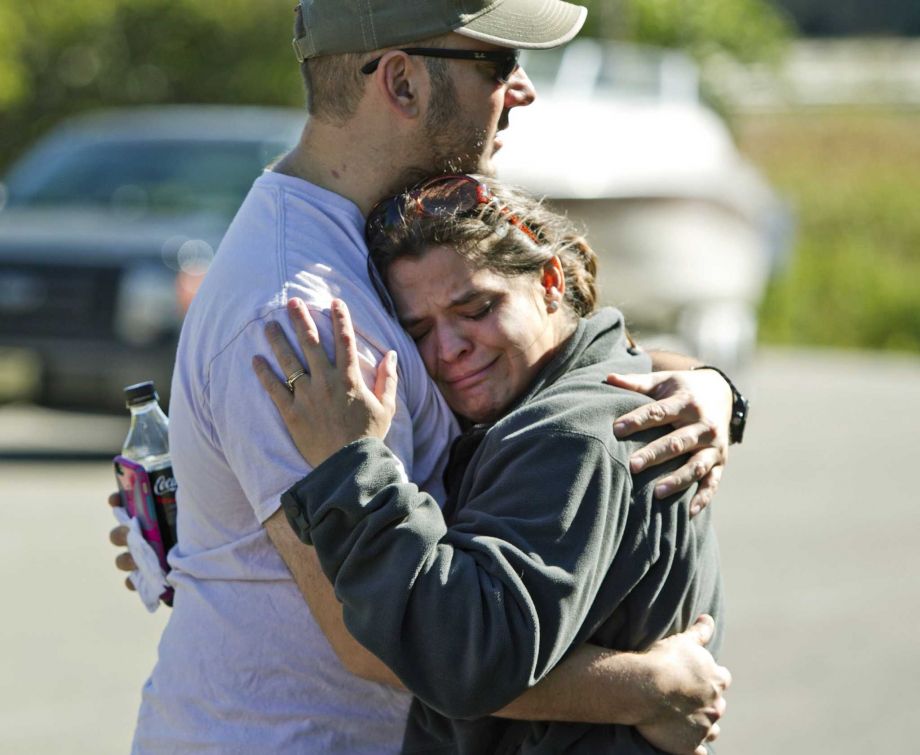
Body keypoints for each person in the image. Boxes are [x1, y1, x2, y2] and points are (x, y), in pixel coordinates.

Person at [108, 2, 741, 752]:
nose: (523, 89)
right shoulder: (297, 309)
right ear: (403, 83)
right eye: (498, 64)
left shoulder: (363, 251)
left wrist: (708, 385)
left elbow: (538, 362)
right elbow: (372, 643)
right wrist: (649, 687)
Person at [252, 174, 726, 753]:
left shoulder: (572, 436)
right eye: (418, 329)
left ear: (549, 282)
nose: (448, 348)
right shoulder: (552, 402)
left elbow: (462, 656)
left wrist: (352, 466)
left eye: (475, 308)